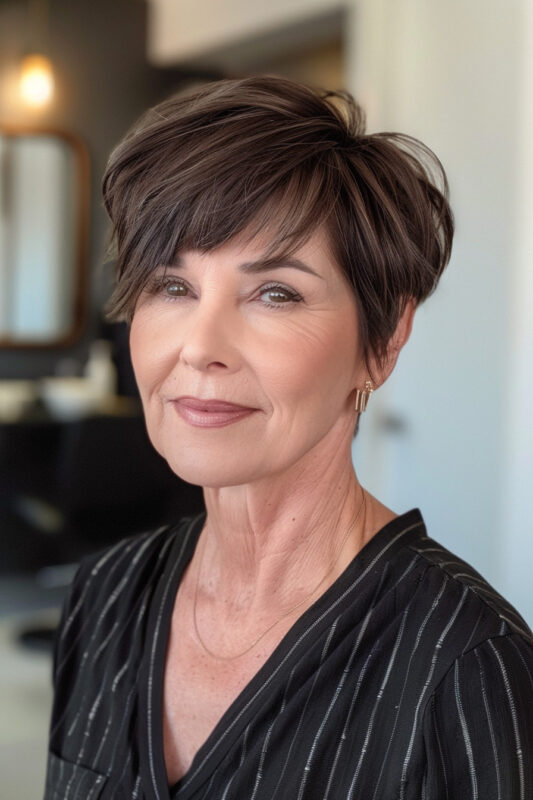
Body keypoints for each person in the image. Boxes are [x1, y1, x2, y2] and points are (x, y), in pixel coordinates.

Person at [44, 75, 532, 800]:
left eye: (276, 293)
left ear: (383, 338)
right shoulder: (105, 594)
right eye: (172, 287)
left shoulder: (465, 663)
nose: (200, 348)